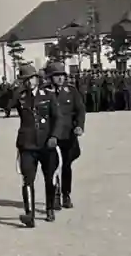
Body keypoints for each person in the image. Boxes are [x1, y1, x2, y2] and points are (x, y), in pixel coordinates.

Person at [12, 63, 62, 227]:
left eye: (30, 78)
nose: (27, 82)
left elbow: (57, 118)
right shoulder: (20, 97)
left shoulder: (48, 95)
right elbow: (5, 104)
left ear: (36, 79)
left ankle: (49, 208)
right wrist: (16, 91)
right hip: (27, 144)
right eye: (24, 80)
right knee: (28, 180)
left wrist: (54, 136)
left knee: (49, 178)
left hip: (46, 143)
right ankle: (29, 214)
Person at [44, 61, 86, 210]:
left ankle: (66, 194)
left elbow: (80, 110)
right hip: (51, 136)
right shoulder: (44, 92)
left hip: (68, 135)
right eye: (56, 76)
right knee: (52, 166)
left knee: (66, 166)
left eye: (62, 75)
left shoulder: (72, 91)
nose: (60, 79)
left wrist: (80, 126)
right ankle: (55, 196)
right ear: (50, 77)